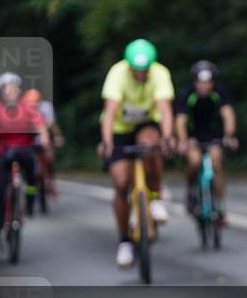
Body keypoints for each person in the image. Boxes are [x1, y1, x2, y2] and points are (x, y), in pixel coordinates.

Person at [97, 39, 175, 268]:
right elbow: (110, 111)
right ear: (128, 65)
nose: (140, 73)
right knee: (121, 182)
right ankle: (124, 241)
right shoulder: (117, 73)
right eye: (136, 69)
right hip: (120, 129)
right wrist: (107, 141)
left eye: (145, 69)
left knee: (151, 145)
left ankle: (155, 196)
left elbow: (164, 108)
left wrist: (169, 136)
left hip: (146, 125)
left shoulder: (160, 73)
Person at [0, 72, 50, 249]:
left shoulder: (28, 108)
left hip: (25, 151)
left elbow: (41, 128)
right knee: (0, 192)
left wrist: (44, 140)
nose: (10, 92)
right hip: (3, 153)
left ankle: (30, 201)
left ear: (18, 90)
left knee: (34, 175)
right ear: (1, 92)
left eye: (13, 89)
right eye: (6, 89)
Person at [175, 60, 239, 222]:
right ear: (195, 82)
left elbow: (228, 114)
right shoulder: (187, 94)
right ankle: (190, 190)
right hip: (193, 136)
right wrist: (183, 140)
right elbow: (181, 120)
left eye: (208, 82)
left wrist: (229, 135)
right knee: (194, 162)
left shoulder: (219, 92)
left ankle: (220, 205)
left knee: (216, 163)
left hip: (213, 135)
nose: (205, 86)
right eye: (201, 82)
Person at [22, 89, 65, 199]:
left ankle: (51, 183)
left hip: (43, 133)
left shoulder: (46, 107)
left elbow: (52, 123)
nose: (34, 105)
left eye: (36, 102)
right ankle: (26, 184)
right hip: (28, 135)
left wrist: (57, 136)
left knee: (49, 156)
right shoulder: (21, 108)